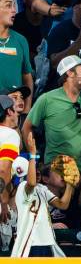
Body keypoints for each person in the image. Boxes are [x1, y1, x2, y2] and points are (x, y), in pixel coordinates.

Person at [23, 55, 81, 226]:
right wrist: (33, 154)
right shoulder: (47, 99)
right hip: (58, 172)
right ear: (69, 73)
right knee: (56, 219)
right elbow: (27, 127)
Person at [12, 135, 74, 257]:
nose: (37, 171)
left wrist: (70, 183)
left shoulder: (41, 189)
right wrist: (32, 154)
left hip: (47, 241)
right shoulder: (22, 188)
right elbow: (31, 182)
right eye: (34, 168)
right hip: (32, 243)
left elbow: (63, 205)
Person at [0, 0, 33, 110]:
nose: (14, 10)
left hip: (14, 110)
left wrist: (27, 109)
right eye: (8, 6)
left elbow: (27, 76)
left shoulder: (21, 40)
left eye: (14, 6)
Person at [0, 94, 20, 223]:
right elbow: (3, 170)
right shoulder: (9, 134)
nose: (18, 114)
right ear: (9, 111)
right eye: (15, 110)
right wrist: (4, 203)